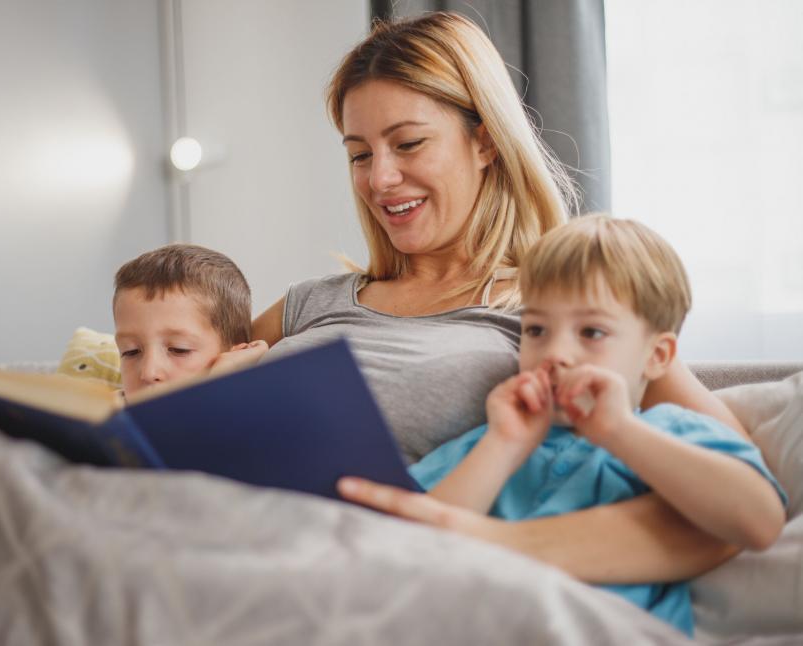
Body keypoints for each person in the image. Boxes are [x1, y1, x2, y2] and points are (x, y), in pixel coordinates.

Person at [254, 12, 753, 585]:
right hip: (241, 540)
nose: (380, 179)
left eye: (408, 144)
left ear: (485, 140)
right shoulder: (308, 303)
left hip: (378, 573)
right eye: (360, 154)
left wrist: (493, 544)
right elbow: (169, 389)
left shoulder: (558, 315)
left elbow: (733, 497)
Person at [401, 215, 786, 634]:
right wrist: (502, 445)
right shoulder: (491, 440)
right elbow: (408, 545)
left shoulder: (671, 431)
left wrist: (620, 431)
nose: (556, 352)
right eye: (537, 329)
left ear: (657, 356)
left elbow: (760, 521)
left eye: (591, 332)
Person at [113, 244, 267, 396]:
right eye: (130, 352)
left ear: (238, 358)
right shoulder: (109, 412)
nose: (148, 372)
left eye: (179, 349)